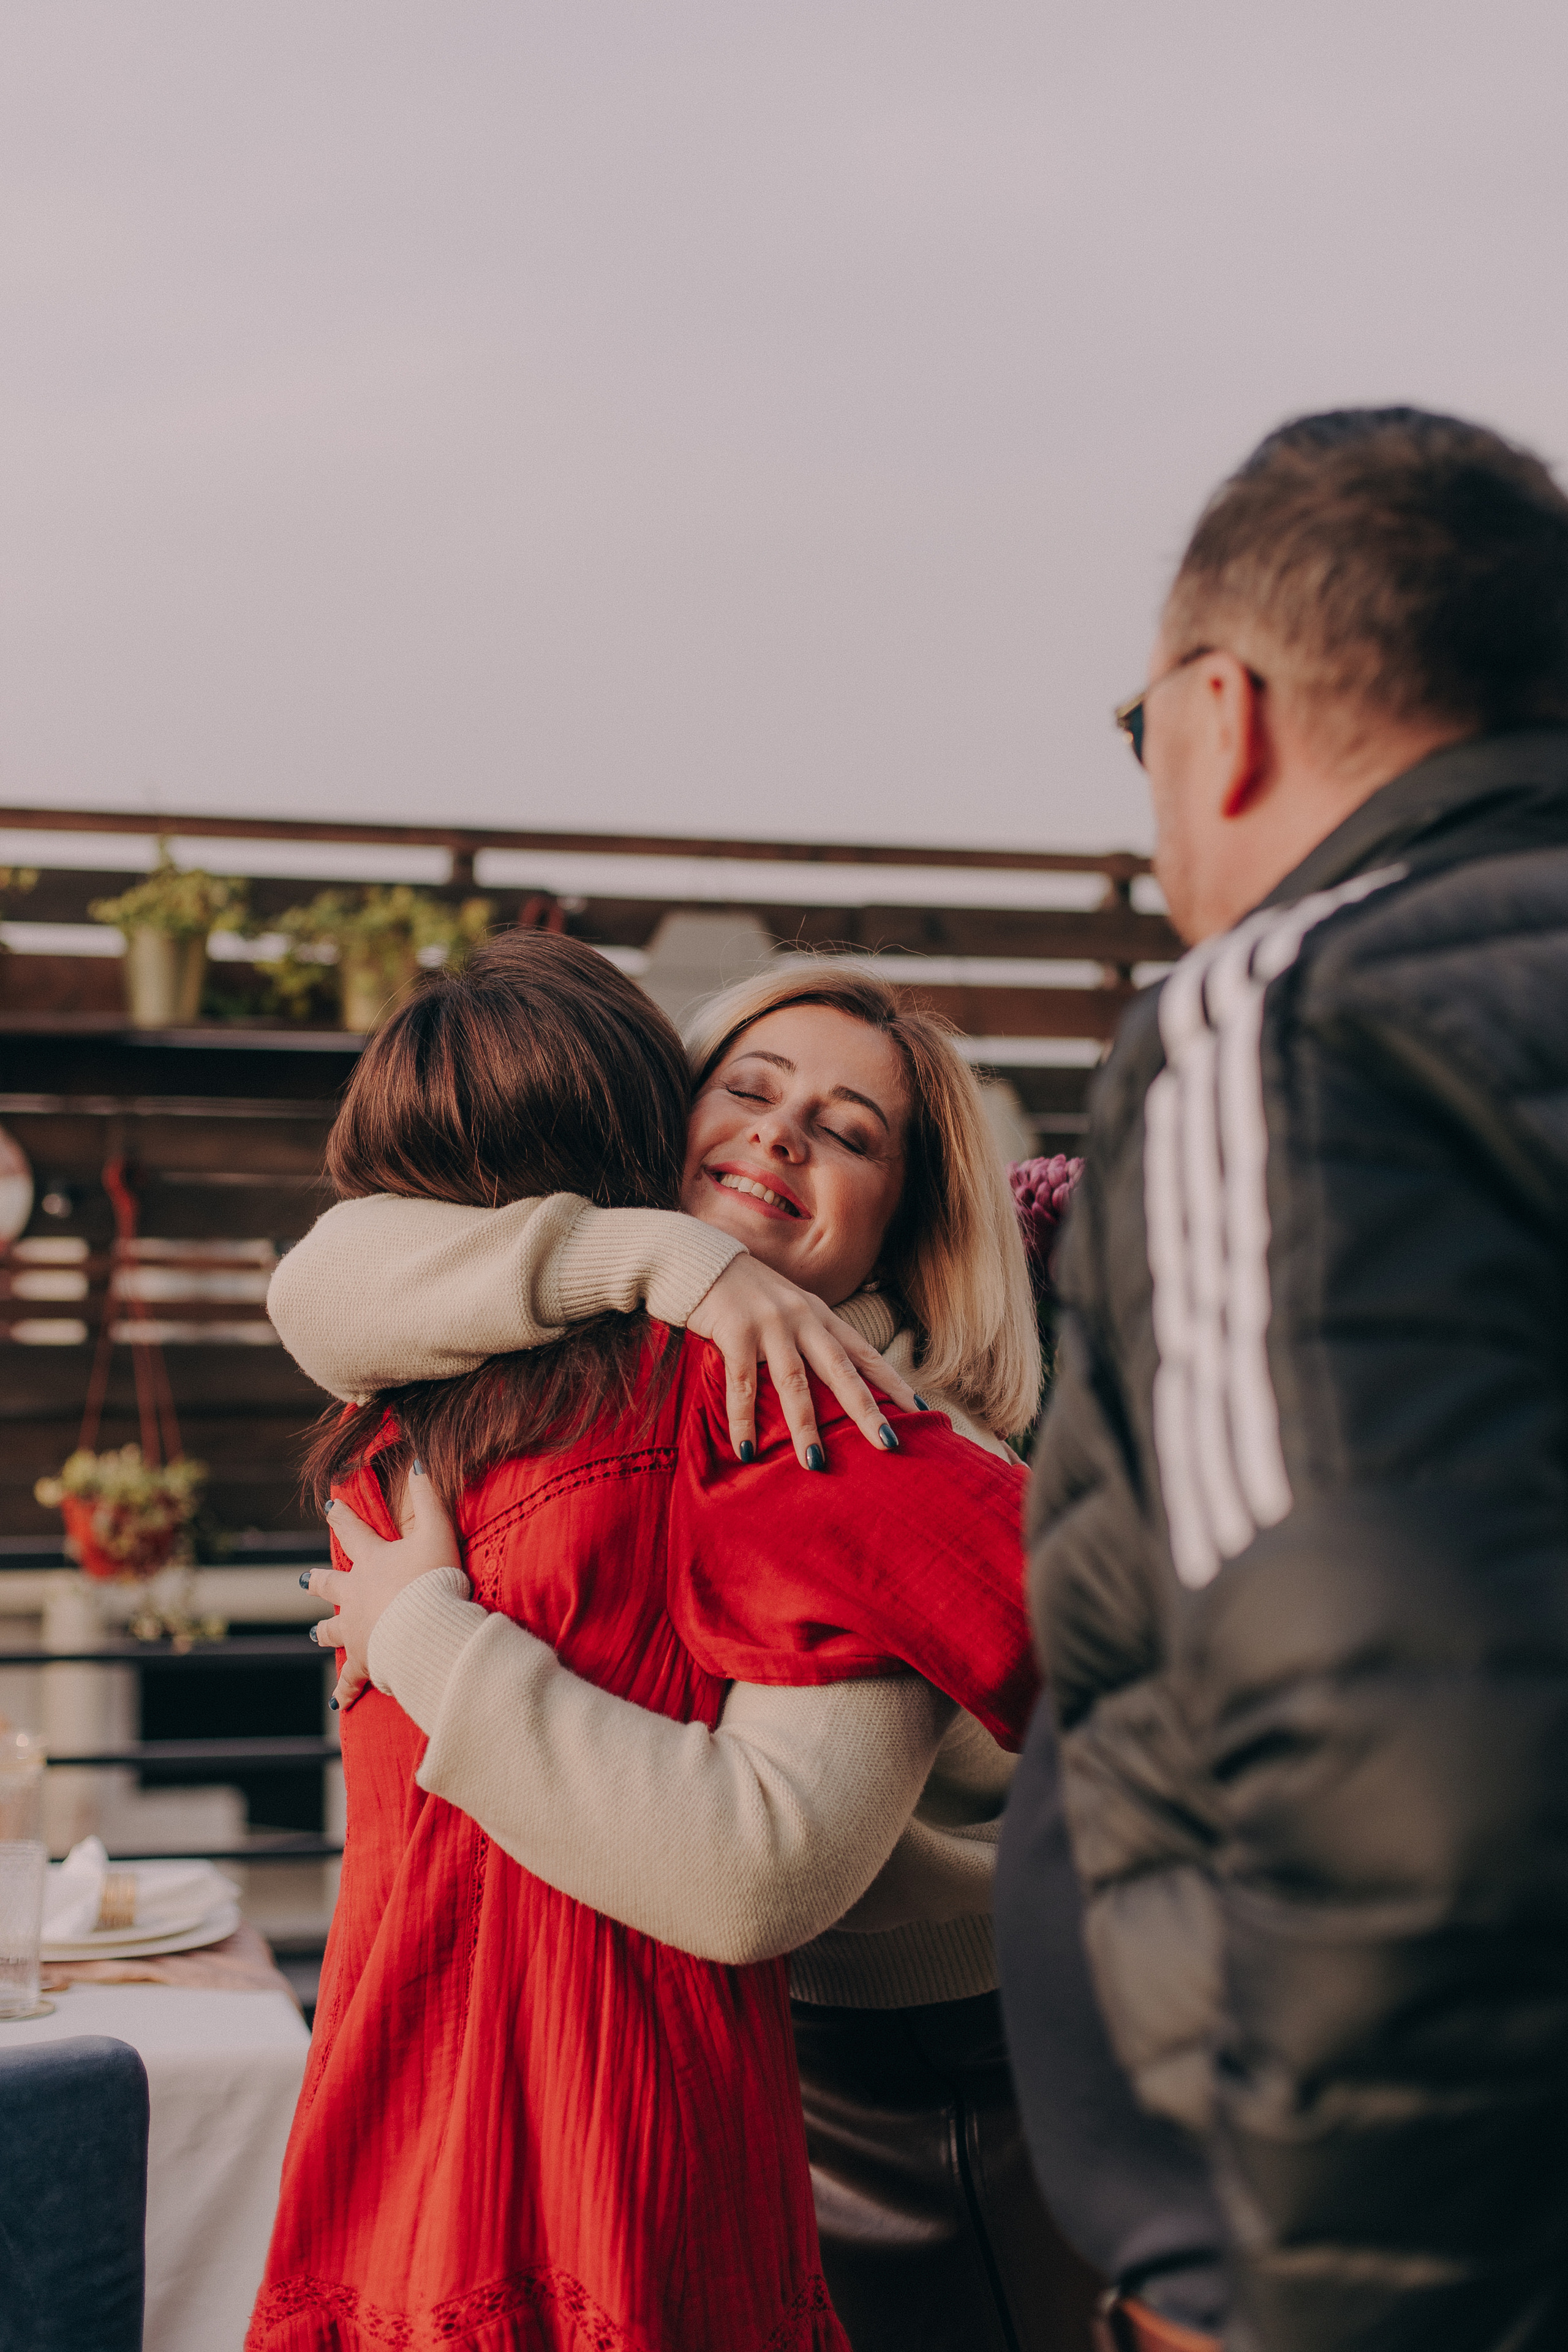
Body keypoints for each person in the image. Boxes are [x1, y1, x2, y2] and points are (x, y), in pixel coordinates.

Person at [268, 960, 1104, 2352]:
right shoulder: (605, 1343)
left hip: (946, 2067)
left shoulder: (854, 1428)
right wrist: (664, 1256)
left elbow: (749, 1871)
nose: (782, 1135)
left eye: (847, 1133)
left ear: (907, 1227)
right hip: (734, 2049)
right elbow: (322, 1283)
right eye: (749, 1092)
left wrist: (421, 1632)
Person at [1011, 407, 1568, 2352]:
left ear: (1223, 710)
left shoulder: (1290, 1012)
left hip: (1378, 2261)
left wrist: (1338, 2306)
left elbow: (1403, 1760)